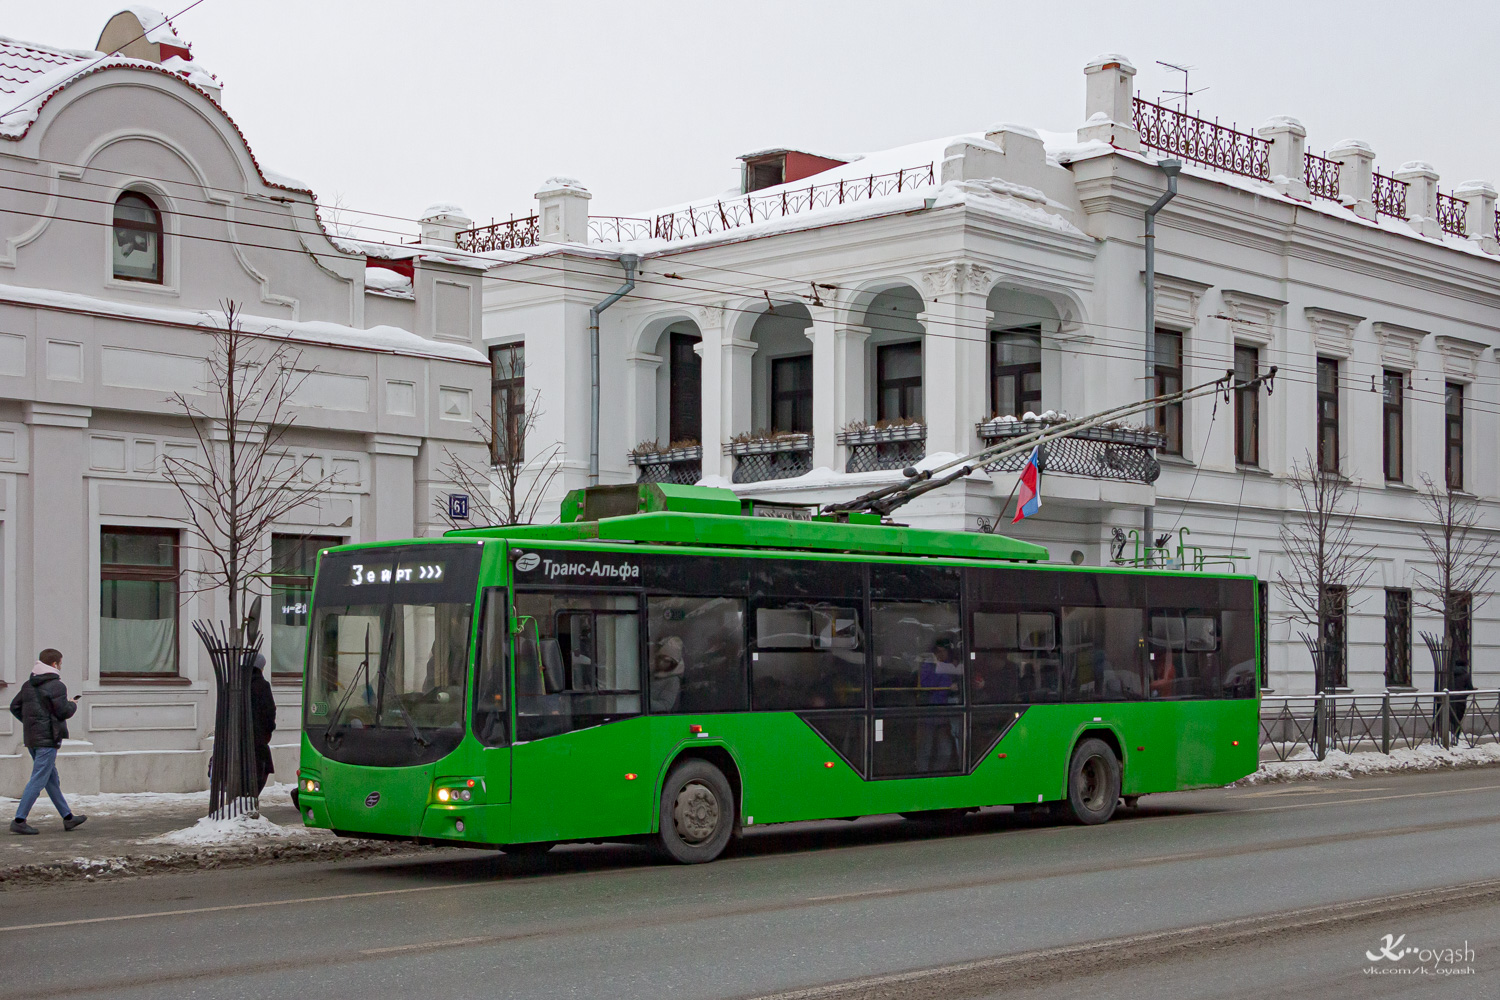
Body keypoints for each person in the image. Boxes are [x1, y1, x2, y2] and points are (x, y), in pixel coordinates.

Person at [9, 649, 86, 834]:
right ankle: (19, 820)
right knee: (38, 779)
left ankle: (68, 817)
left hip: (32, 739)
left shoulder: (28, 684)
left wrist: (31, 723)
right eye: (60, 663)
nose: (61, 666)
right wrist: (72, 704)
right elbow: (62, 712)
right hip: (47, 740)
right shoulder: (57, 686)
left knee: (51, 779)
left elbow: (14, 707)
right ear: (54, 665)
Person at [250, 654, 277, 796]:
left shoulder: (235, 684)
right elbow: (269, 711)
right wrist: (268, 730)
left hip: (235, 740)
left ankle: (241, 800)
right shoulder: (262, 685)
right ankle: (250, 799)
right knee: (263, 768)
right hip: (257, 738)